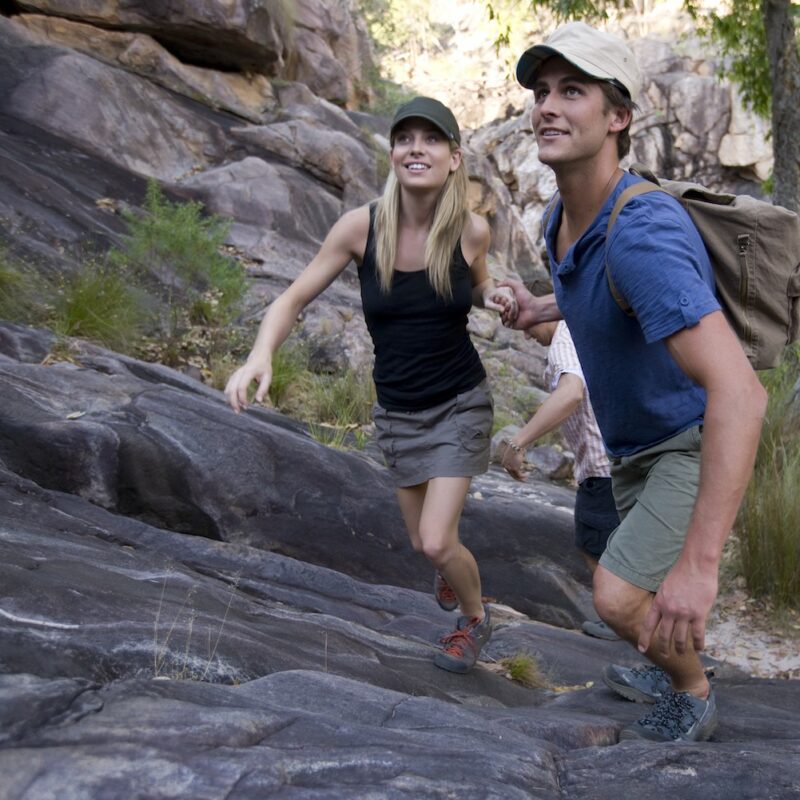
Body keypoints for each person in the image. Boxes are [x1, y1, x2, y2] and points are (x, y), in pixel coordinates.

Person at [502, 22, 767, 741]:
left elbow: (743, 394)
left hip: (686, 443)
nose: (549, 107)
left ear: (618, 117)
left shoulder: (640, 232)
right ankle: (669, 661)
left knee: (619, 598)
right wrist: (540, 308)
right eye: (543, 92)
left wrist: (701, 568)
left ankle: (693, 692)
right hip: (631, 450)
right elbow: (598, 288)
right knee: (632, 591)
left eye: (574, 91)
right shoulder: (565, 217)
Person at [224, 96, 516, 674]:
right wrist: (261, 354)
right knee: (422, 544)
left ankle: (477, 620)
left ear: (454, 158)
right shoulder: (361, 227)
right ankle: (451, 572)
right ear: (393, 153)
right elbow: (293, 297)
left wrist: (495, 295)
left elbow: (478, 285)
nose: (416, 148)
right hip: (399, 412)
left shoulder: (470, 230)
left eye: (431, 139)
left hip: (460, 401)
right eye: (405, 138)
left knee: (436, 540)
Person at [500, 319, 620, 640]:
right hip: (615, 457)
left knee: (595, 545)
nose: (526, 334)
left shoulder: (564, 338)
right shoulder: (584, 329)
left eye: (527, 324)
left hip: (600, 464)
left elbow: (571, 394)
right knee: (605, 542)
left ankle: (620, 618)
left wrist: (518, 442)